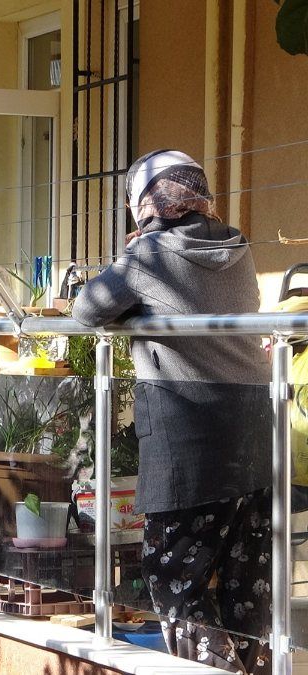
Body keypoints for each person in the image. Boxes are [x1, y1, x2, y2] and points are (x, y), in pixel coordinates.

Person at [73, 149, 272, 673]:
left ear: (146, 202)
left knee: (172, 573)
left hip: (188, 426)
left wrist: (129, 275)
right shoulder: (237, 245)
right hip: (254, 423)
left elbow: (88, 309)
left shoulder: (149, 255)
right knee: (243, 577)